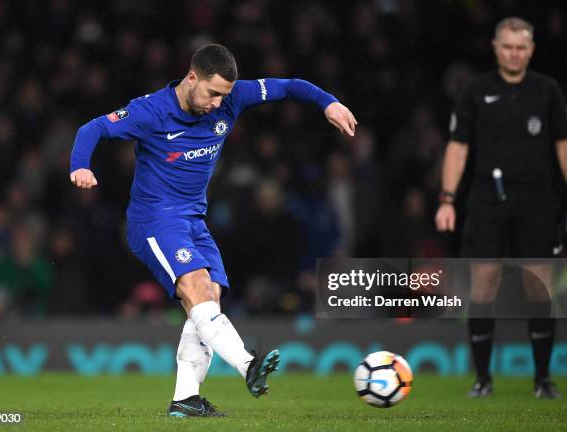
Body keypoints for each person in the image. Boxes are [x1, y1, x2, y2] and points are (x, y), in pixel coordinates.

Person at [70, 44, 357, 416]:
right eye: (213, 93)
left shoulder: (232, 97)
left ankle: (186, 399)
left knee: (206, 301)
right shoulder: (151, 111)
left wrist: (328, 103)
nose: (219, 104)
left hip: (193, 221)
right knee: (196, 288)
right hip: (154, 220)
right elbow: (91, 128)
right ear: (192, 78)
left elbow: (288, 86)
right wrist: (81, 166)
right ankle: (247, 364)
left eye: (225, 95)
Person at [435, 18, 567, 399]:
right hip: (487, 197)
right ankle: (483, 380)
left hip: (538, 198)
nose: (514, 53)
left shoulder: (547, 91)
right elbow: (457, 147)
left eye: (521, 47)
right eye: (507, 46)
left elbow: (562, 145)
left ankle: (543, 380)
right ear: (496, 47)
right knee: (484, 282)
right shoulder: (476, 92)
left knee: (538, 285)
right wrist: (447, 198)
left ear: (531, 49)